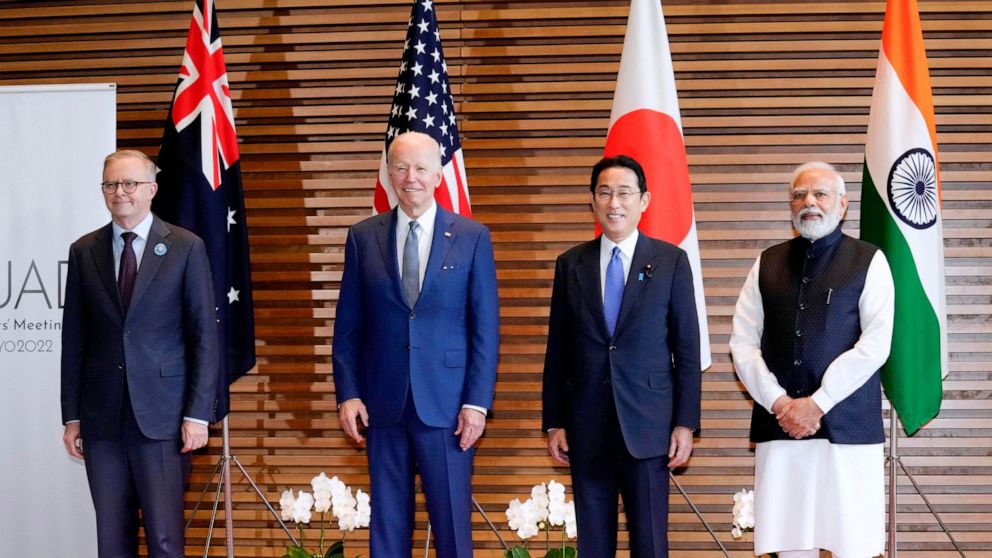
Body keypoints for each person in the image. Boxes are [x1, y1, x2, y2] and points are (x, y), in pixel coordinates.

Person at [332, 131, 500, 557]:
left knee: (452, 530)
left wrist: (477, 403)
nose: (411, 178)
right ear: (389, 174)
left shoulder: (472, 236)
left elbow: (485, 329)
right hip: (382, 404)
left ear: (438, 175)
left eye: (421, 168)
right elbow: (348, 328)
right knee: (387, 532)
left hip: (448, 409)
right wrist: (348, 394)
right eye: (402, 168)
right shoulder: (363, 237)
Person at [730, 161, 895, 558]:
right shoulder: (766, 263)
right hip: (782, 428)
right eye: (799, 195)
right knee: (791, 547)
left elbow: (876, 343)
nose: (809, 202)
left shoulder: (869, 260)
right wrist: (779, 402)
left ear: (843, 204)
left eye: (820, 194)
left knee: (853, 546)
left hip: (848, 430)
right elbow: (742, 343)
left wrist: (818, 402)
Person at [61, 149, 220, 558]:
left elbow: (204, 336)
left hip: (164, 420)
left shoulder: (185, 247)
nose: (120, 193)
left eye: (130, 183)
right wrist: (72, 416)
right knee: (112, 540)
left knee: (165, 539)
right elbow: (74, 340)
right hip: (102, 420)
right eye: (111, 184)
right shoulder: (84, 251)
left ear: (151, 189)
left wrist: (197, 414)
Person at [542, 155, 702, 557]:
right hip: (586, 426)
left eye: (625, 193)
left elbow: (687, 350)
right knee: (594, 546)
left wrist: (685, 423)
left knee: (650, 544)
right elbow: (558, 350)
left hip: (648, 427)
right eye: (605, 193)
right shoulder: (570, 264)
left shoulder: (671, 261)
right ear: (592, 200)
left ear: (643, 200)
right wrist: (554, 421)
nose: (614, 203)